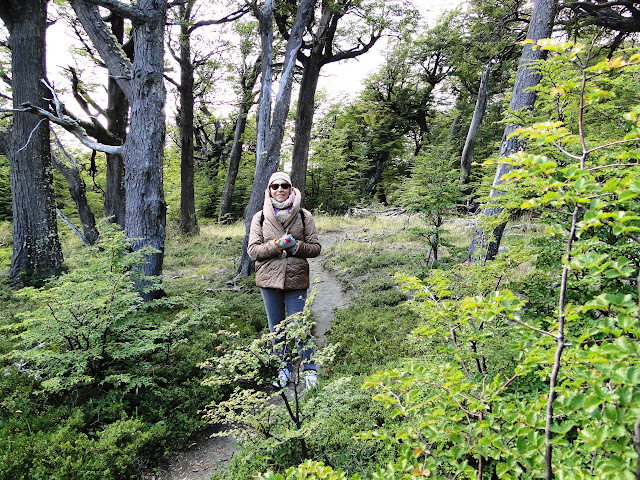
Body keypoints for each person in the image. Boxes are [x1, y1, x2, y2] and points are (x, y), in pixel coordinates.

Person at [248, 172, 322, 389]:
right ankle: (283, 368)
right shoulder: (259, 217)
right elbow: (253, 251)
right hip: (268, 280)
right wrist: (278, 245)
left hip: (296, 278)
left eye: (284, 186)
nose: (279, 190)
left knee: (300, 324)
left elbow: (315, 248)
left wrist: (296, 246)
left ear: (291, 189)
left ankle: (309, 370)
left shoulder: (304, 216)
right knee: (277, 328)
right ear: (269, 190)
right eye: (275, 186)